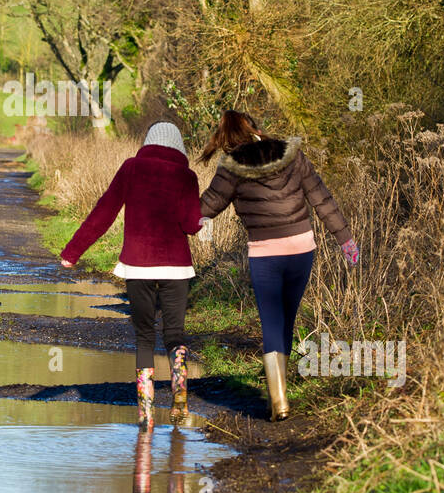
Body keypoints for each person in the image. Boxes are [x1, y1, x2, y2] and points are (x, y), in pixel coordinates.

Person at [198, 110, 360, 421]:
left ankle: (279, 400)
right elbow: (321, 198)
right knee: (287, 318)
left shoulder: (231, 167)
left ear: (225, 137)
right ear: (254, 128)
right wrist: (347, 242)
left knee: (272, 321)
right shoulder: (292, 155)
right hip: (302, 248)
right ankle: (280, 393)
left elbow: (207, 207)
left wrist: (177, 220)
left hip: (265, 253)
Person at [60, 121, 202, 429]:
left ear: (148, 142)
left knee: (144, 336)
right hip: (177, 266)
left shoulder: (131, 168)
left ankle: (146, 413)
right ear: (179, 147)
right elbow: (192, 225)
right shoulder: (187, 176)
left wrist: (73, 251)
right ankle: (179, 395)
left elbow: (104, 212)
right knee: (175, 335)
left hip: (137, 265)